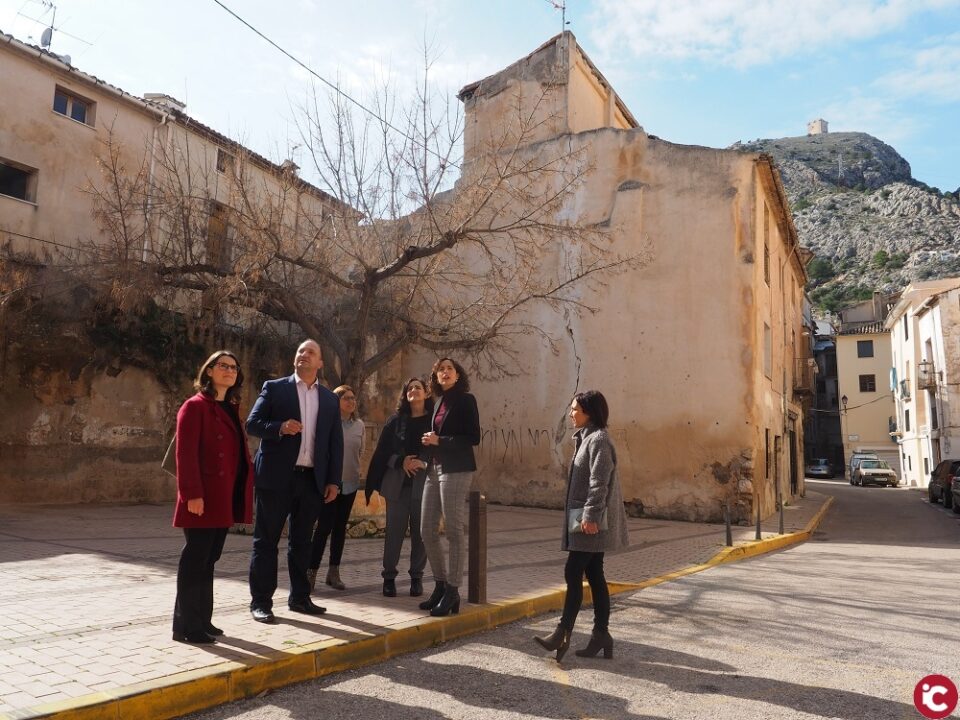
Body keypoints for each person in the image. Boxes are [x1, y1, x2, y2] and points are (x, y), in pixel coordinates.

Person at [246, 339, 344, 623]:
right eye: (301, 351)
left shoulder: (329, 399)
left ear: (320, 363)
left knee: (302, 542)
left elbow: (334, 444)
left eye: (311, 352)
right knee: (266, 541)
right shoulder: (275, 388)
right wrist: (279, 427)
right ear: (295, 359)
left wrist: (333, 481)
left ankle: (300, 598)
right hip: (277, 478)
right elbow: (252, 424)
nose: (304, 355)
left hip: (311, 480)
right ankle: (261, 602)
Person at [534, 390, 629, 662]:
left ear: (589, 412)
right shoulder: (586, 439)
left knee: (573, 570)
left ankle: (562, 633)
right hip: (586, 517)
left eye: (575, 409)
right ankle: (601, 634)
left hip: (590, 520)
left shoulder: (598, 440)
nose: (571, 413)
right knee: (594, 572)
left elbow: (600, 481)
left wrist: (591, 516)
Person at [171, 351, 254, 644]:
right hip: (202, 497)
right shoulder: (194, 407)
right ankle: (186, 626)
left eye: (234, 367)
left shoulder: (229, 407)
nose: (229, 371)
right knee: (195, 558)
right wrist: (191, 494)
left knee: (209, 558)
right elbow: (185, 455)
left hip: (223, 496)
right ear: (209, 371)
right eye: (223, 366)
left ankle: (202, 619)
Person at [418, 358, 481, 616]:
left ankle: (453, 590)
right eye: (440, 370)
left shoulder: (466, 400)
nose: (444, 372)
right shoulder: (438, 403)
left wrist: (439, 440)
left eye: (449, 369)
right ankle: (441, 584)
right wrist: (429, 446)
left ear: (457, 375)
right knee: (425, 530)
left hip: (457, 470)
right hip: (434, 469)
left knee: (454, 531)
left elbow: (473, 437)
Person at [365, 377, 433, 598]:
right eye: (410, 388)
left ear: (426, 393)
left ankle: (416, 578)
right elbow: (383, 452)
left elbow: (439, 450)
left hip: (424, 485)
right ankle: (389, 578)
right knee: (394, 533)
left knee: (420, 534)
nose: (414, 390)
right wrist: (401, 461)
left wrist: (422, 462)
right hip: (397, 486)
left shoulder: (434, 422)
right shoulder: (395, 421)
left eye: (418, 387)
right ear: (405, 394)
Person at [308, 385, 364, 592]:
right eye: (345, 398)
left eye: (353, 398)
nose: (351, 401)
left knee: (340, 530)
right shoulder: (327, 423)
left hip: (350, 485)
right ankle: (311, 572)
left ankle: (333, 573)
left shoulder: (359, 425)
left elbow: (361, 451)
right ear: (335, 401)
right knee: (323, 529)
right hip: (330, 485)